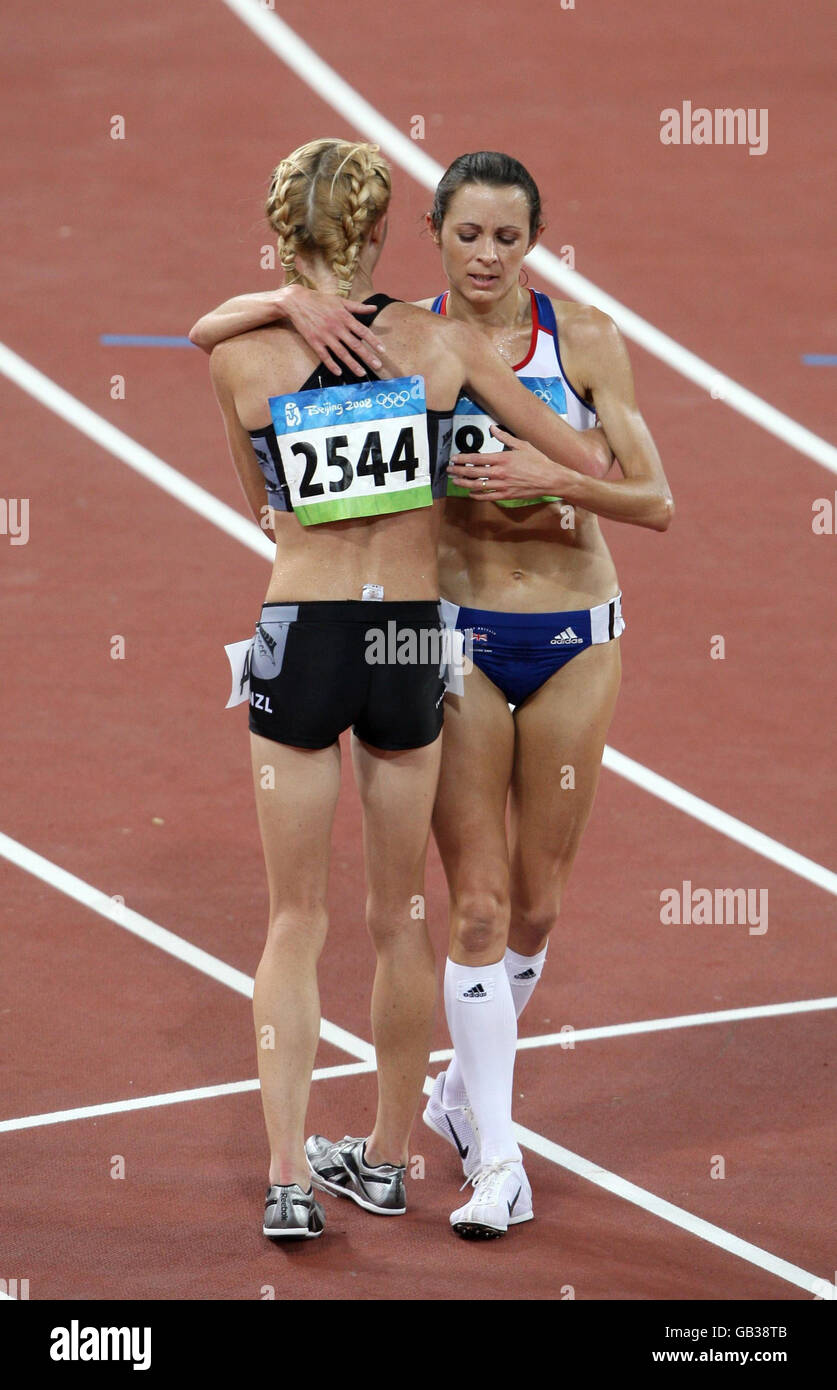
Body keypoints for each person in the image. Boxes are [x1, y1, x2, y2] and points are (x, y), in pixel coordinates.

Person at [198, 139, 614, 1240]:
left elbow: (265, 509)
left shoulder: (241, 359)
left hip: (302, 628)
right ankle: (386, 1158)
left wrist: (274, 306)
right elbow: (582, 455)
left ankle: (289, 1175)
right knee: (400, 917)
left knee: (295, 919)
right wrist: (533, 474)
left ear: (283, 234)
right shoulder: (437, 341)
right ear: (384, 234)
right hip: (404, 639)